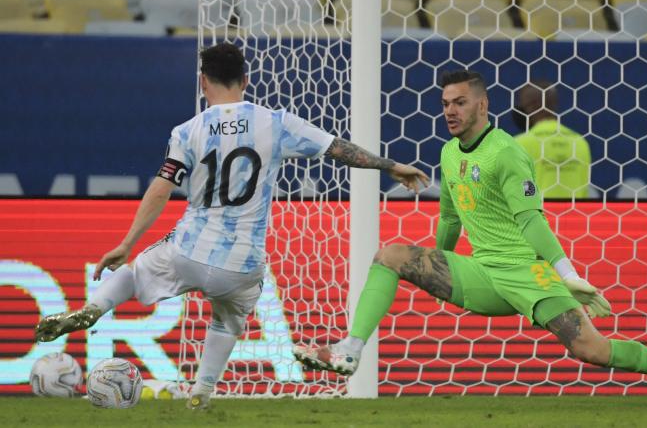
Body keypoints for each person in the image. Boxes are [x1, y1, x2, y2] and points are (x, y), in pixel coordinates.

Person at [293, 70, 647, 406]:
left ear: (482, 106)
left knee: (592, 350)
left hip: (529, 275)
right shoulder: (449, 153)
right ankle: (349, 350)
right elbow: (449, 219)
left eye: (460, 102)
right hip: (482, 272)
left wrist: (567, 273)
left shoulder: (507, 153)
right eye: (446, 103)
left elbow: (531, 221)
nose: (450, 111)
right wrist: (437, 265)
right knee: (390, 253)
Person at [34, 43, 429, 410]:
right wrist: (390, 165)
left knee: (137, 270)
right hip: (242, 263)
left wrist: (126, 242)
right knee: (228, 318)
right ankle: (202, 393)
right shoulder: (275, 123)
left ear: (203, 80)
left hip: (189, 249)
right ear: (246, 80)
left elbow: (160, 189)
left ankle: (92, 308)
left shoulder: (187, 131)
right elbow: (338, 150)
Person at [513, 81, 591, 199]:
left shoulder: (519, 144)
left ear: (532, 105)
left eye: (522, 105)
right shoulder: (580, 142)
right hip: (575, 216)